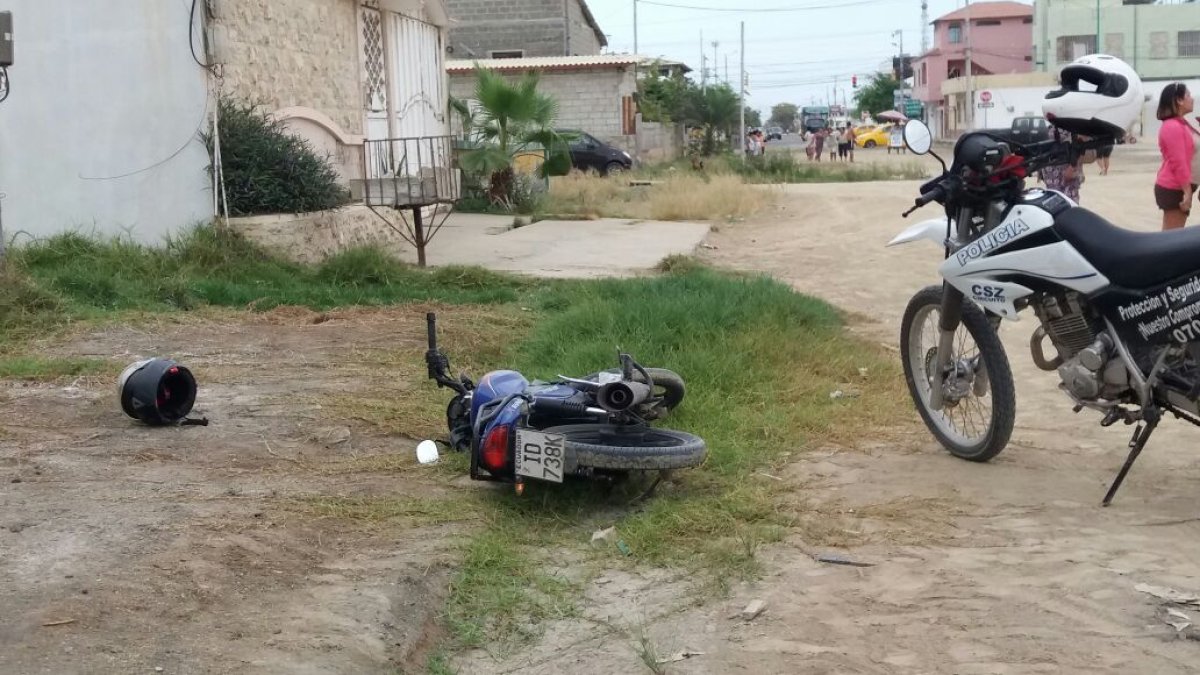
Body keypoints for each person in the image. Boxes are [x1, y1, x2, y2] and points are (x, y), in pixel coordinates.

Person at [1154, 82, 1195, 230]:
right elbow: (1179, 162)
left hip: (1179, 187)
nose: (1192, 99)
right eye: (1188, 95)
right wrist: (1187, 191)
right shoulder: (1172, 126)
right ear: (1179, 100)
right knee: (1171, 238)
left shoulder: (1181, 124)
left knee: (1173, 237)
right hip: (1174, 188)